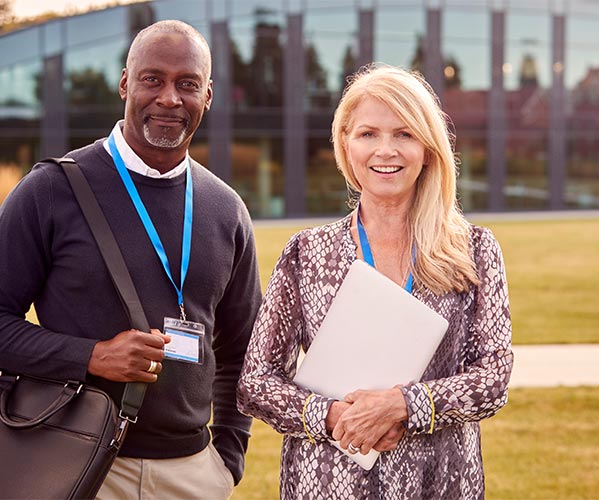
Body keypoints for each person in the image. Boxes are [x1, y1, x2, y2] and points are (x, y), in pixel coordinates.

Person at [0, 20, 261, 499]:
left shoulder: (227, 210)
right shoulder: (51, 190)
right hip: (76, 464)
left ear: (208, 95)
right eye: (152, 79)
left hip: (194, 474)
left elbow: (245, 352)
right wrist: (92, 356)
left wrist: (227, 458)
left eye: (187, 84)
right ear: (125, 83)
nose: (169, 98)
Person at [237, 64, 513, 499]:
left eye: (403, 134)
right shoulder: (306, 253)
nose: (385, 150)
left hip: (437, 482)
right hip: (328, 481)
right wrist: (330, 416)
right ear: (345, 146)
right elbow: (256, 382)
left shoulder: (473, 250)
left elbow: (493, 379)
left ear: (427, 148)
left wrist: (402, 405)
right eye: (368, 134)